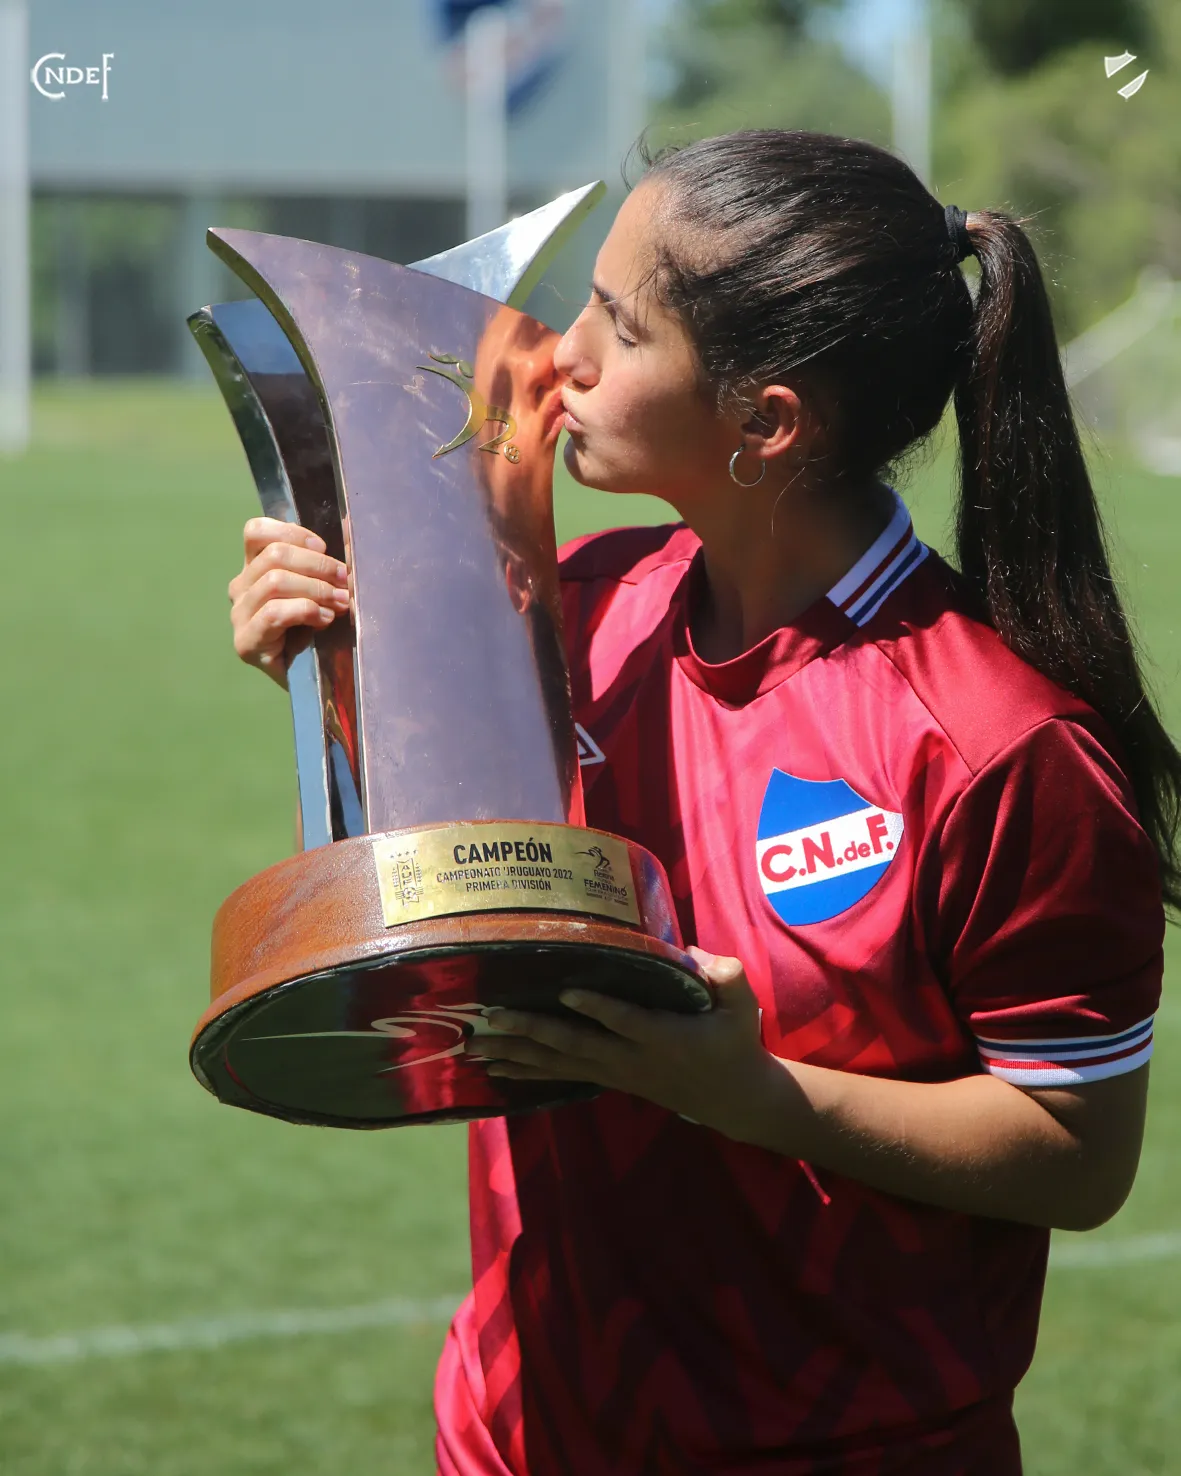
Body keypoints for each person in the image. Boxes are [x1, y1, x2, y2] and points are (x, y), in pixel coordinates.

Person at [226, 130, 1180, 1474]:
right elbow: (428, 938)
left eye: (618, 329)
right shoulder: (570, 609)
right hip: (515, 1434)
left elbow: (1079, 1157)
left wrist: (760, 1097)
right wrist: (337, 676)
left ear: (767, 423)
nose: (554, 356)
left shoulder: (999, 748)